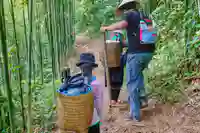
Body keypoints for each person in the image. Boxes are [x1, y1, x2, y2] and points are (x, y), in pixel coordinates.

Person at [100, 0, 155, 121]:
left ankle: (135, 115)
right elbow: (146, 34)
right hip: (148, 53)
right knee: (138, 75)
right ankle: (142, 100)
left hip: (136, 54)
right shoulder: (144, 15)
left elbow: (121, 25)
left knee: (132, 83)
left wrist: (107, 28)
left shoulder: (130, 15)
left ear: (126, 8)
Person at [76, 53, 103, 133]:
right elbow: (99, 105)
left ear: (80, 68)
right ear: (92, 68)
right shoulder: (96, 84)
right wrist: (99, 115)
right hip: (93, 120)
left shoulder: (75, 83)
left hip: (79, 122)